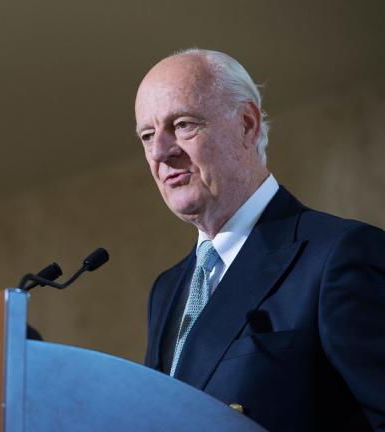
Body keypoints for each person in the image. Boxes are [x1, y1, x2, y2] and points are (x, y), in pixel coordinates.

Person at [135, 49, 385, 431]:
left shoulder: (339, 255)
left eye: (182, 124)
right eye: (147, 135)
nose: (160, 152)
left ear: (247, 125)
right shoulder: (166, 290)